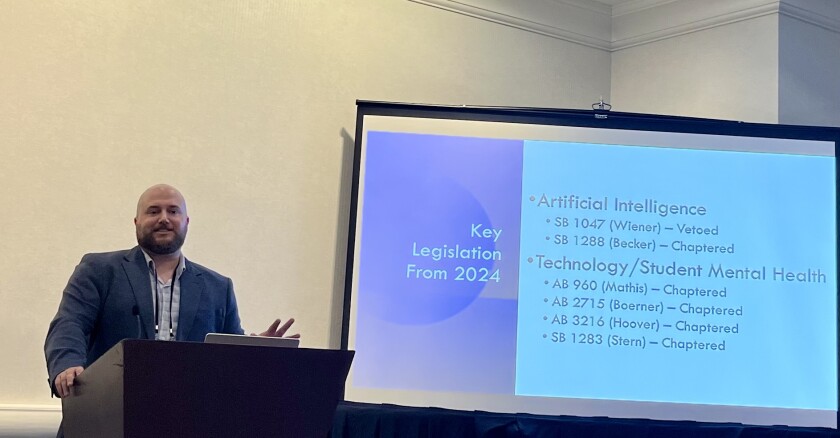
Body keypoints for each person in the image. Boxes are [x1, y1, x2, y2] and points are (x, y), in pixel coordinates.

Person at [44, 184, 297, 399]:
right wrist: (67, 365)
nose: (163, 218)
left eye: (173, 211)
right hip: (109, 414)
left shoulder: (218, 287)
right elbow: (70, 324)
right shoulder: (99, 270)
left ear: (186, 222)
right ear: (136, 222)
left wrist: (255, 349)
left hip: (186, 419)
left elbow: (227, 357)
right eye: (153, 211)